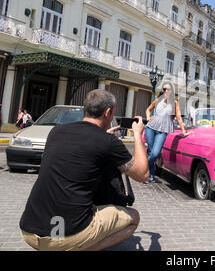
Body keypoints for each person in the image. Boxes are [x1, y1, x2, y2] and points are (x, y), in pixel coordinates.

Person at [19, 89, 149, 251]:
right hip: (60, 237)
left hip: (29, 230)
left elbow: (82, 148)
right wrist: (138, 135)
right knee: (133, 217)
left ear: (85, 109)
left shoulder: (57, 132)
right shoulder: (107, 142)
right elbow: (143, 174)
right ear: (108, 112)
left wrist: (102, 139)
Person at [145, 81, 192, 183]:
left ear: (172, 91)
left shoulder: (175, 103)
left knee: (155, 153)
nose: (166, 91)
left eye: (168, 89)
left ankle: (142, 167)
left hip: (163, 131)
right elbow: (148, 109)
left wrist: (184, 131)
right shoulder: (157, 100)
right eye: (164, 89)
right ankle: (150, 176)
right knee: (151, 152)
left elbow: (179, 117)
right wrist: (148, 117)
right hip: (150, 128)